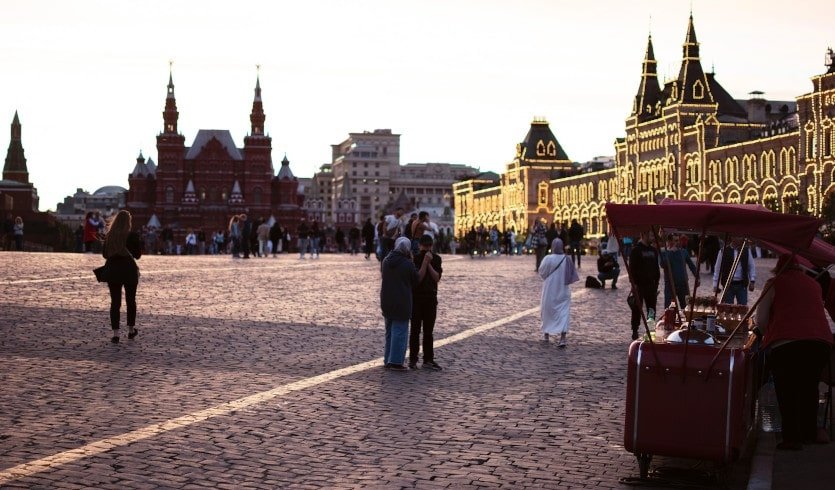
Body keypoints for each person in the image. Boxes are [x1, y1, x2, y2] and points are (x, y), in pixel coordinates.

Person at [755, 254, 834, 450]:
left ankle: (792, 438)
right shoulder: (813, 284)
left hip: (787, 342)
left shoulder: (774, 283)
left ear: (777, 268)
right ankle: (809, 433)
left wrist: (769, 334)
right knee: (809, 387)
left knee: (787, 390)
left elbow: (761, 319)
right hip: (820, 342)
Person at [101, 210, 142, 344]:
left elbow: (105, 255)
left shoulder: (110, 236)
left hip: (113, 271)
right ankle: (130, 330)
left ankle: (116, 333)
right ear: (128, 222)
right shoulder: (132, 236)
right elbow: (137, 255)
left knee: (115, 302)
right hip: (129, 270)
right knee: (131, 301)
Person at [381, 237, 419, 371]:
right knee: (400, 332)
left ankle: (388, 359)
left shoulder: (386, 261)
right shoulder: (407, 263)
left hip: (386, 300)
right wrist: (413, 261)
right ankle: (396, 362)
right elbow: (416, 280)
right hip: (402, 301)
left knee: (389, 332)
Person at [409, 235, 443, 370]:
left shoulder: (437, 259)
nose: (427, 249)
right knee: (415, 331)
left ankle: (428, 359)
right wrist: (424, 262)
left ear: (432, 246)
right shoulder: (415, 259)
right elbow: (418, 279)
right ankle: (413, 359)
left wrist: (428, 263)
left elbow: (436, 278)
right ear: (420, 246)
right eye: (425, 246)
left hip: (430, 299)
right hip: (416, 299)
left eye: (429, 246)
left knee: (429, 331)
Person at [538, 238, 580, 348]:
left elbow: (542, 272)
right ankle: (562, 338)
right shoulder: (567, 259)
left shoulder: (547, 259)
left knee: (547, 311)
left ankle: (546, 334)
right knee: (563, 313)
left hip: (549, 290)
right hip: (563, 290)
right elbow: (571, 276)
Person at [628, 232, 660, 340]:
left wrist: (656, 283)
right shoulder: (636, 250)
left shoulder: (653, 251)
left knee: (651, 310)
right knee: (637, 308)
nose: (651, 237)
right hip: (639, 285)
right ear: (643, 235)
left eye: (652, 234)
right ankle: (635, 329)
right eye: (649, 235)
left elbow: (656, 268)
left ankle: (650, 331)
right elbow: (631, 269)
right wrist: (633, 284)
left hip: (651, 285)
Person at [660, 234, 699, 309]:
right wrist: (670, 252)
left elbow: (691, 265)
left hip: (683, 283)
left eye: (678, 240)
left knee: (685, 307)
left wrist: (697, 277)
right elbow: (663, 264)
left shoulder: (683, 252)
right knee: (669, 308)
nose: (677, 243)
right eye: (675, 241)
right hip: (670, 285)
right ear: (669, 241)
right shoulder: (664, 252)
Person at [713, 238, 756, 305]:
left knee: (742, 307)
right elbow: (717, 269)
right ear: (733, 238)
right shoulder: (723, 251)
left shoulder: (746, 251)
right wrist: (715, 284)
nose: (741, 239)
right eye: (739, 237)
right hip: (728, 285)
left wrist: (752, 280)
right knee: (727, 308)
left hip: (742, 284)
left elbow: (751, 266)